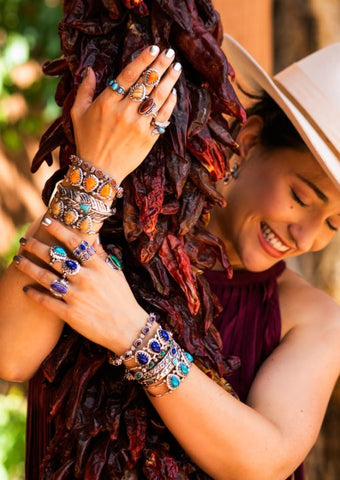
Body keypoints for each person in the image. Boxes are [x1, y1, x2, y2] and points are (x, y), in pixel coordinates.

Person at [0, 30, 340, 480]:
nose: (306, 233)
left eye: (335, 224)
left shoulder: (314, 317)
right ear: (252, 141)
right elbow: (9, 353)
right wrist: (95, 173)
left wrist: (132, 332)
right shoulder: (108, 229)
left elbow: (264, 462)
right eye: (301, 195)